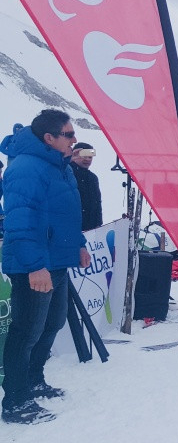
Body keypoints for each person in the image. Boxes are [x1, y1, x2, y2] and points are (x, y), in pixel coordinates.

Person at [1, 112, 92, 424]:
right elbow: (19, 221)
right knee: (26, 330)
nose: (73, 139)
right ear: (48, 139)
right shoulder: (26, 167)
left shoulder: (59, 164)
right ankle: (15, 399)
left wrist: (78, 243)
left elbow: (64, 214)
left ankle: (33, 379)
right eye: (68, 134)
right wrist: (34, 266)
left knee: (52, 323)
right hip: (35, 264)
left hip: (56, 260)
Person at [70, 142, 102, 231]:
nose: (87, 159)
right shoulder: (66, 173)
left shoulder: (93, 178)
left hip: (91, 228)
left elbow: (97, 203)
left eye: (90, 157)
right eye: (84, 156)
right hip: (71, 226)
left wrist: (98, 224)